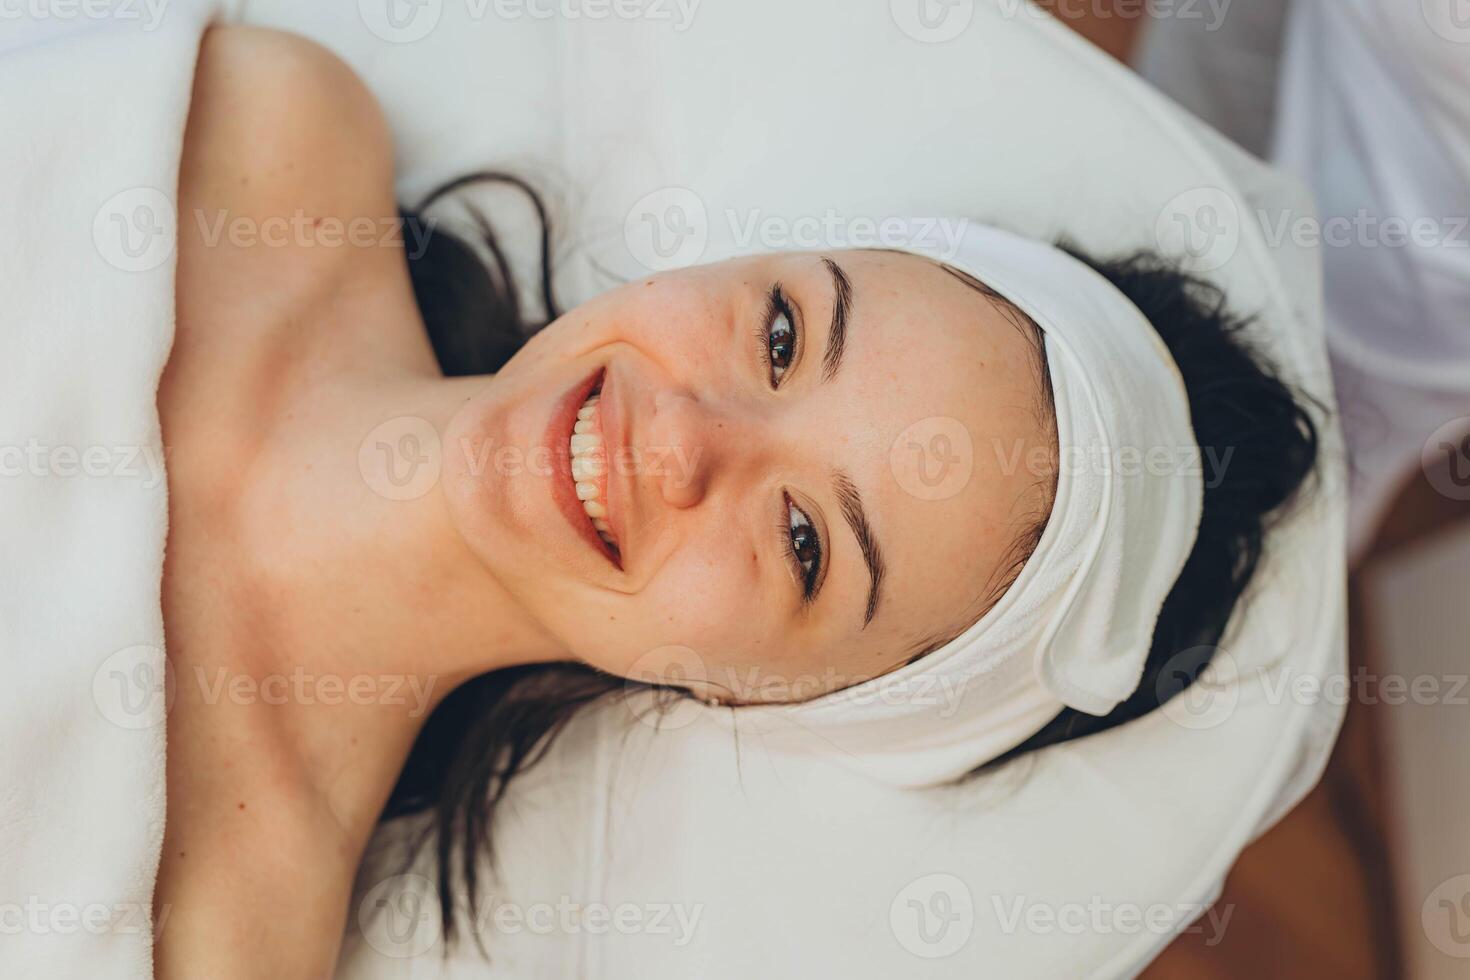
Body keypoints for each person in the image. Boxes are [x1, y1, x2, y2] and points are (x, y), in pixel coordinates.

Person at [152, 25, 1319, 977]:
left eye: (807, 542)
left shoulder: (207, 927)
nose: (683, 441)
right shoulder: (263, 128)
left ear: (765, 698)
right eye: (782, 332)